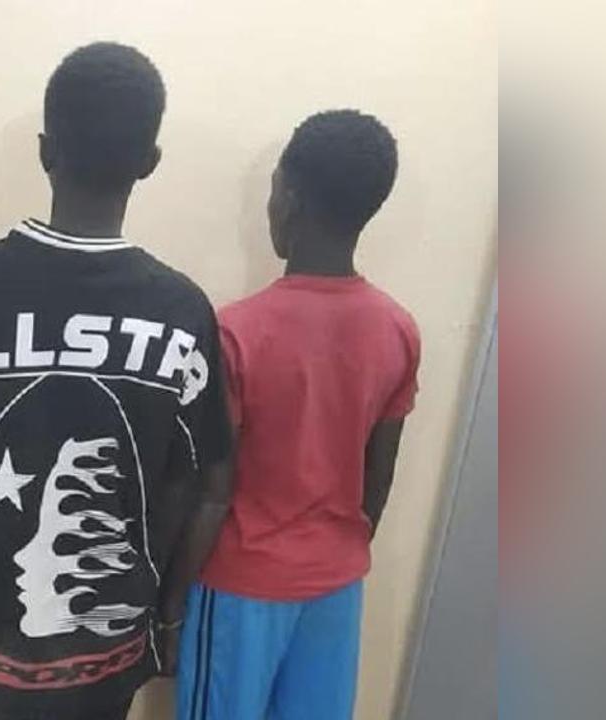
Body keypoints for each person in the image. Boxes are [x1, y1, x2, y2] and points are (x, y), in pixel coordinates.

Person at [0, 42, 234, 720]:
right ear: (150, 161)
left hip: (1, 637)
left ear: (46, 152)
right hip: (116, 642)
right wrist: (167, 613)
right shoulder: (182, 311)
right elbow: (194, 481)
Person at [176, 110, 421, 720]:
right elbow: (378, 478)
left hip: (241, 585)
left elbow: (212, 489)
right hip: (336, 587)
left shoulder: (235, 332)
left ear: (287, 199)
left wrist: (169, 604)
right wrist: (327, 550)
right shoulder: (397, 329)